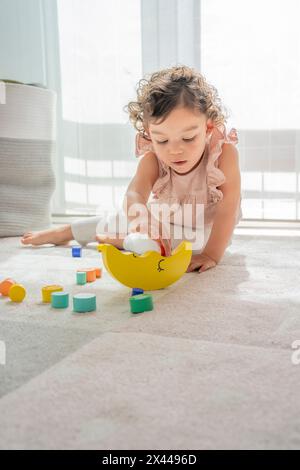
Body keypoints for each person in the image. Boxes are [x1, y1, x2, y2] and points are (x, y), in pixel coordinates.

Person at [21, 65, 242, 273]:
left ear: (208, 127)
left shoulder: (223, 155)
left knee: (193, 246)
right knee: (119, 220)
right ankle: (67, 231)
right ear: (148, 133)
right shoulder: (153, 159)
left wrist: (211, 255)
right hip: (164, 219)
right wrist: (142, 219)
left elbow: (227, 209)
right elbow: (134, 194)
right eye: (162, 140)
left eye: (188, 137)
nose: (175, 150)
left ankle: (123, 240)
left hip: (207, 227)